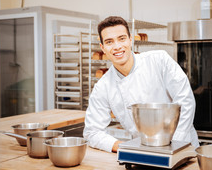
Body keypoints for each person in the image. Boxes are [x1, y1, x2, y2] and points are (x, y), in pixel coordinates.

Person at [83, 16, 199, 152]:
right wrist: (125, 147)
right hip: (144, 151)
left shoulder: (159, 60)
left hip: (183, 147)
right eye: (109, 42)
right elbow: (92, 133)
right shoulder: (103, 86)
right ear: (103, 48)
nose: (117, 46)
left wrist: (175, 145)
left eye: (122, 39)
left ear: (130, 39)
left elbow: (185, 102)